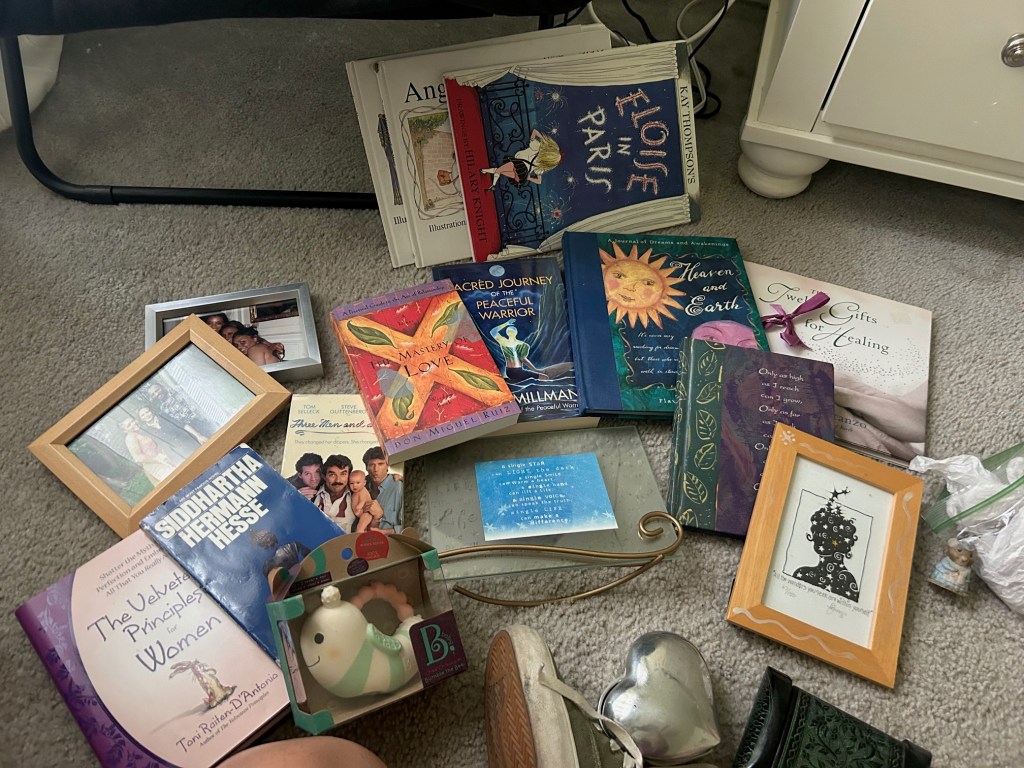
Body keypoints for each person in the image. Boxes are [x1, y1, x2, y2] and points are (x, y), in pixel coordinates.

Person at [481, 129, 561, 190]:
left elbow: (534, 132)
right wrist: (529, 178)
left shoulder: (537, 147)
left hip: (519, 165)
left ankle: (493, 185)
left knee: (499, 170)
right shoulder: (541, 167)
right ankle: (485, 171)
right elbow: (539, 181)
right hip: (522, 176)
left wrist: (543, 139)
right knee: (501, 171)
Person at [144, 381, 216, 441]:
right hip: (197, 429)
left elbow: (200, 399)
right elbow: (182, 424)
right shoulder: (163, 410)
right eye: (153, 394)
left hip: (208, 417)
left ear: (161, 386)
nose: (156, 394)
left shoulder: (179, 389)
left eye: (157, 390)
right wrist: (198, 435)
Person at [119, 415, 177, 485]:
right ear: (125, 430)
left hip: (164, 459)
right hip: (155, 465)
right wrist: (157, 459)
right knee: (174, 482)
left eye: (132, 421)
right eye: (129, 425)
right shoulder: (130, 438)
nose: (133, 424)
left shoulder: (139, 432)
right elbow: (138, 457)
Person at [137, 404, 201, 461]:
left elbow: (182, 425)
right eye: (142, 415)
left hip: (190, 444)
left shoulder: (163, 416)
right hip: (177, 456)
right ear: (141, 418)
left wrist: (198, 435)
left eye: (147, 412)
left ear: (151, 411)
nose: (146, 415)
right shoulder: (145, 431)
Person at [362, 446, 403, 531]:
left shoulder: (398, 487)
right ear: (366, 468)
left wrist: (384, 532)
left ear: (388, 466)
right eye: (371, 465)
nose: (376, 469)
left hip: (392, 541)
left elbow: (408, 526)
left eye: (380, 464)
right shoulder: (360, 486)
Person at [318, 454, 358, 530]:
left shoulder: (357, 494)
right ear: (324, 476)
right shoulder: (311, 495)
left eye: (343, 474)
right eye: (332, 475)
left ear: (349, 475)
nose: (338, 480)